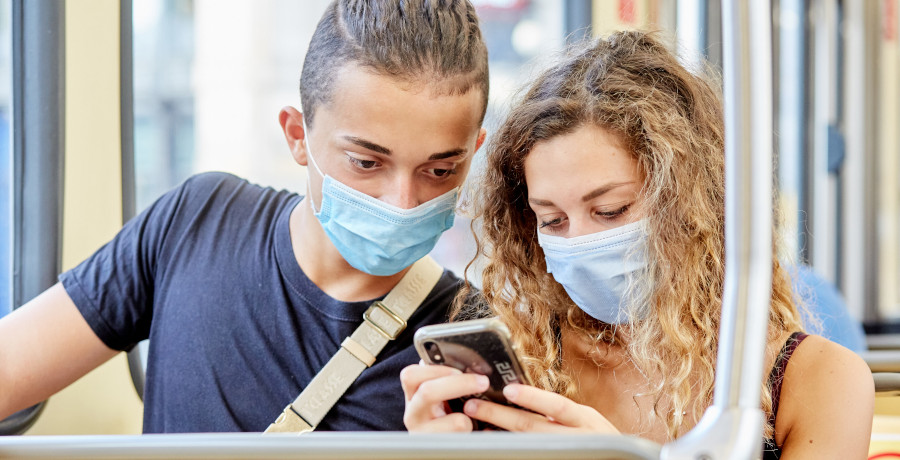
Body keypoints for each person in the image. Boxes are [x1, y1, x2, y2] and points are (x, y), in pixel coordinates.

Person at [0, 0, 488, 432]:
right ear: (298, 135)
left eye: (441, 169)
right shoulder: (197, 223)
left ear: (474, 152)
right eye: (366, 162)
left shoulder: (472, 340)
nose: (402, 202)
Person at [400, 31, 874, 458]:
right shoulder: (524, 363)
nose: (580, 243)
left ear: (693, 205)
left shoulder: (819, 381)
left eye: (611, 211)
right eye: (552, 220)